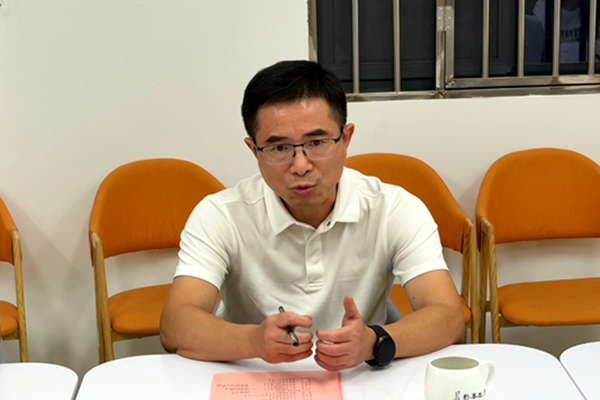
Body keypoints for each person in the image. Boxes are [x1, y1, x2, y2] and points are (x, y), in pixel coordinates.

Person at [160, 60, 464, 371]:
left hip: (360, 376)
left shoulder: (393, 208)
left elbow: (448, 317)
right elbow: (175, 324)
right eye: (279, 149)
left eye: (316, 143)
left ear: (346, 139)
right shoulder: (221, 215)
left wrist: (373, 342)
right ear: (254, 150)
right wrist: (253, 341)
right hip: (252, 374)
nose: (301, 166)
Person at [526, 0, 600, 63]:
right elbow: (536, 41)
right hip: (552, 70)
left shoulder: (595, 5)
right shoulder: (544, 4)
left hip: (589, 71)